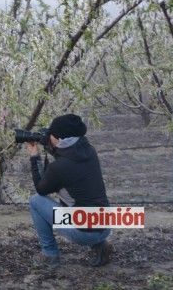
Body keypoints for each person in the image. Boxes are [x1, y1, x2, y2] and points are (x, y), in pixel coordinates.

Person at [26, 114, 113, 268]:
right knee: (80, 199)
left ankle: (49, 255)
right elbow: (68, 159)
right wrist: (51, 145)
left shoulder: (59, 168)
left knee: (35, 201)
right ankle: (100, 246)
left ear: (58, 139)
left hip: (84, 233)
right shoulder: (89, 151)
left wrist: (34, 156)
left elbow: (41, 189)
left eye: (51, 134)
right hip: (106, 226)